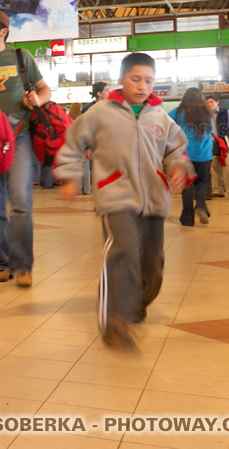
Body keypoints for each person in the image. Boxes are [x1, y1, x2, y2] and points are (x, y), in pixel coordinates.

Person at [54, 52, 193, 350]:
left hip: (155, 200)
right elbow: (73, 141)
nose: (142, 86)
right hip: (115, 196)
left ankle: (135, 306)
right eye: (135, 79)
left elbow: (175, 150)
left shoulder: (161, 117)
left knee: (152, 267)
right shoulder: (100, 113)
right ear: (121, 80)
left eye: (149, 81)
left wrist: (179, 167)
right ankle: (115, 320)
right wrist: (70, 176)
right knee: (124, 249)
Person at [0, 9, 52, 288]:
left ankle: (23, 266)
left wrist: (37, 100)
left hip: (19, 135)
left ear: (3, 31)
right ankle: (2, 264)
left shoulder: (21, 57)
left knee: (20, 201)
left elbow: (46, 90)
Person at [170, 88, 213, 226]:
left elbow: (165, 122)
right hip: (204, 154)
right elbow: (211, 131)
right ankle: (200, 205)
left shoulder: (178, 112)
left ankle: (187, 218)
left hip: (185, 154)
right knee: (202, 182)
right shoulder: (207, 113)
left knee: (187, 185)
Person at [205, 94, 229, 200]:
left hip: (224, 141)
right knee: (213, 166)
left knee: (227, 165)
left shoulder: (226, 112)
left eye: (211, 102)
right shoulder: (205, 114)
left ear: (217, 102)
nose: (209, 104)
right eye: (207, 103)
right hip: (210, 141)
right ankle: (217, 190)